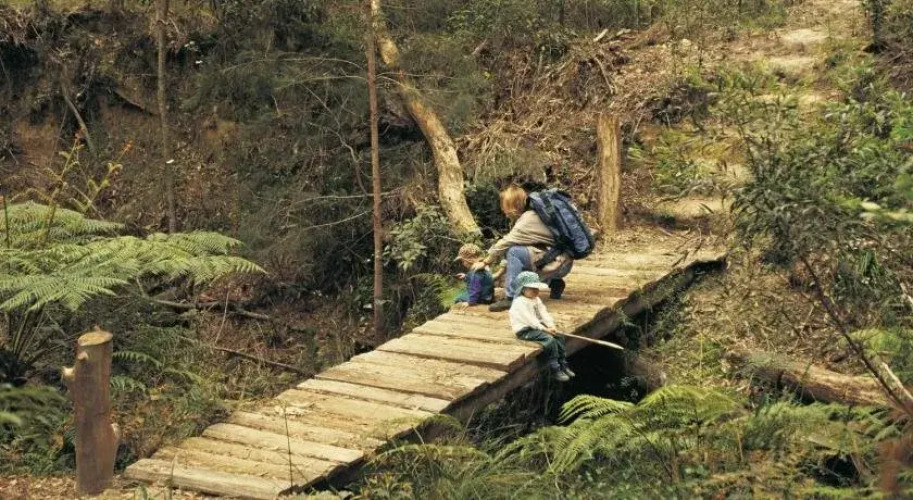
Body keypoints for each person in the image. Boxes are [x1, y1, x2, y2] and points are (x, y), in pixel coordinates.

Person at [472, 185, 573, 312]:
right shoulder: (537, 214)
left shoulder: (526, 221)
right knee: (521, 254)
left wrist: (485, 262)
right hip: (562, 260)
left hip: (557, 264)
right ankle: (555, 283)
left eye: (504, 206)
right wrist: (499, 273)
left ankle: (510, 297)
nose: (503, 210)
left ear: (512, 206)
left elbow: (504, 244)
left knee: (514, 252)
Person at [509, 271, 575, 382]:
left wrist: (551, 325)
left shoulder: (537, 300)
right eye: (532, 289)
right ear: (523, 289)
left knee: (559, 337)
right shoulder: (519, 302)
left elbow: (543, 313)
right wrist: (544, 329)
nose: (535, 291)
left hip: (538, 326)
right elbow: (530, 320)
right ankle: (555, 368)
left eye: (537, 288)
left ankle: (563, 364)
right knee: (550, 340)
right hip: (525, 329)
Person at [452, 243, 495, 309]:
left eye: (463, 261)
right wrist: (465, 276)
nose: (463, 264)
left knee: (458, 298)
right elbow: (480, 280)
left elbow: (475, 289)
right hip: (488, 296)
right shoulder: (483, 267)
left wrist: (470, 302)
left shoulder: (476, 272)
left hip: (482, 298)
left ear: (469, 260)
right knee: (464, 293)